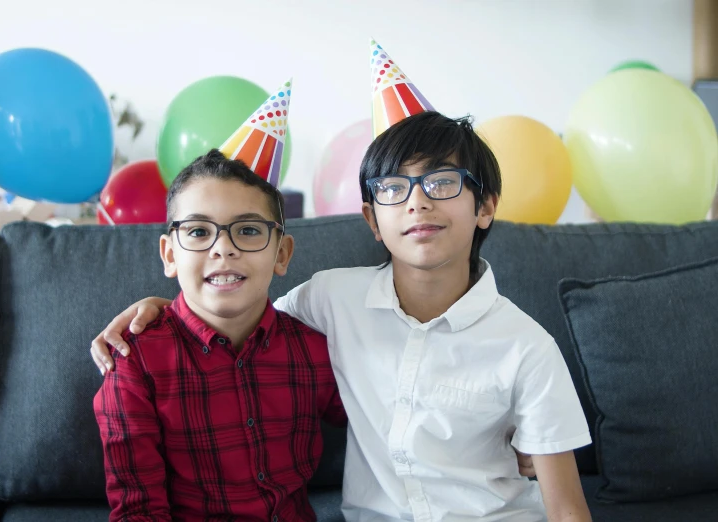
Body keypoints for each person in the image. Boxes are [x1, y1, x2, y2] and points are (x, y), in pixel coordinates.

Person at [92, 111, 591, 521]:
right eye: (395, 188)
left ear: (485, 206)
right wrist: (162, 311)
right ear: (373, 218)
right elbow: (235, 318)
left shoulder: (526, 345)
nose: (418, 201)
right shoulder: (331, 301)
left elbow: (565, 503)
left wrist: (518, 437)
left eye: (440, 182)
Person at [93, 149, 347, 522]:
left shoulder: (314, 350)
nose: (223, 248)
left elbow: (383, 420)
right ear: (169, 256)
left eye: (247, 230)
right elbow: (138, 511)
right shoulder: (135, 364)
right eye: (198, 231)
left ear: (282, 254)